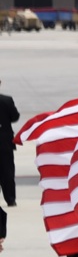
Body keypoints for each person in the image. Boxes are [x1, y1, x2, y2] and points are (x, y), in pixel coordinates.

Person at [0, 78, 18, 207]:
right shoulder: (6, 100)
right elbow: (15, 117)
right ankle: (10, 199)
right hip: (4, 141)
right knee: (7, 171)